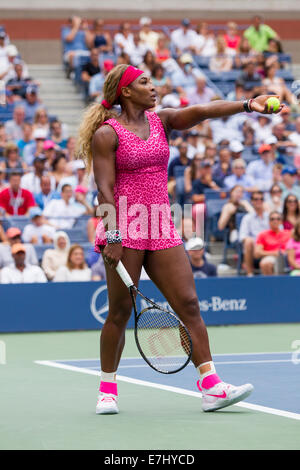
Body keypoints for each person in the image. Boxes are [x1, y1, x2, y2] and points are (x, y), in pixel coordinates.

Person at [76, 63, 282, 414]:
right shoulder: (106, 135)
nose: (153, 87)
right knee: (120, 311)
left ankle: (211, 386)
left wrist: (248, 104)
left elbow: (201, 111)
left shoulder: (163, 121)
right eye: (144, 82)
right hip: (125, 226)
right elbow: (104, 188)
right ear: (125, 92)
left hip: (161, 224)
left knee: (188, 304)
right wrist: (112, 233)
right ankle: (107, 389)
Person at [239, 191, 270, 276]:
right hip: (254, 247)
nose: (259, 201)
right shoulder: (247, 218)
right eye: (256, 199)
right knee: (248, 242)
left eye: (261, 199)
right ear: (251, 201)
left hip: (269, 245)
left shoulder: (270, 217)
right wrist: (257, 244)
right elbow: (243, 236)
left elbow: (278, 231)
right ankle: (250, 274)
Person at [254, 211, 291, 275]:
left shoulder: (288, 233)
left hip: (287, 257)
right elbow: (257, 253)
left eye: (278, 219)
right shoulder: (263, 234)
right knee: (266, 263)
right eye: (272, 219)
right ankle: (271, 284)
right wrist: (274, 253)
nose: (275, 221)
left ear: (281, 221)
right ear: (269, 222)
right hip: (271, 257)